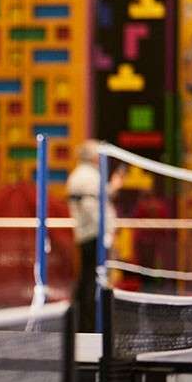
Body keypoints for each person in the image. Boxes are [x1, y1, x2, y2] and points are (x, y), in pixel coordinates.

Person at [66, 140, 123, 332]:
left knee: (87, 279)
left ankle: (83, 323)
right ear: (92, 156)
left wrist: (113, 187)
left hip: (89, 234)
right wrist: (106, 232)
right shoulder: (87, 176)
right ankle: (88, 325)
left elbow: (97, 198)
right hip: (93, 236)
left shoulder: (84, 175)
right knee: (91, 281)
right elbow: (91, 206)